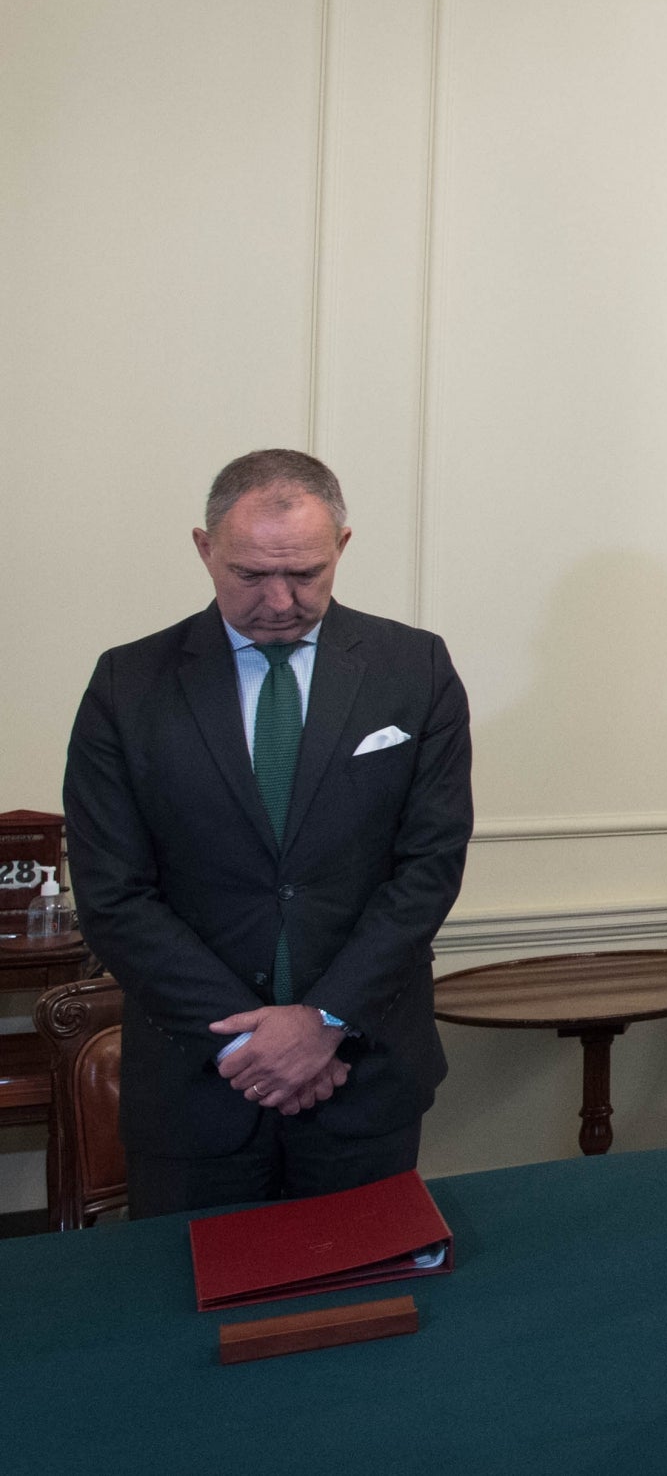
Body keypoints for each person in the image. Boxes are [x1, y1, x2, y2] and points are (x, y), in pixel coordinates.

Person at [64, 450, 472, 1216]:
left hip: (365, 1074)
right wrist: (252, 1045)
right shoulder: (128, 684)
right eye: (250, 576)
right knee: (194, 1319)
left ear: (343, 548)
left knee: (365, 1311)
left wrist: (322, 1022)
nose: (280, 601)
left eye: (307, 574)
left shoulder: (413, 669)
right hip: (195, 1083)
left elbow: (429, 867)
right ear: (203, 547)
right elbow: (114, 894)